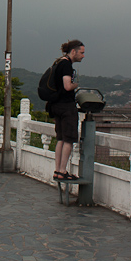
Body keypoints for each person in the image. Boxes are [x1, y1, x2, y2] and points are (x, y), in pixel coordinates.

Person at [51, 39, 85, 181]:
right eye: (81, 53)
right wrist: (75, 84)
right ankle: (63, 170)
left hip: (56, 105)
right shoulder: (66, 65)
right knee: (68, 139)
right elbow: (67, 86)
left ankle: (57, 170)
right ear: (73, 52)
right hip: (66, 106)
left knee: (60, 138)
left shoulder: (58, 62)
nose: (83, 56)